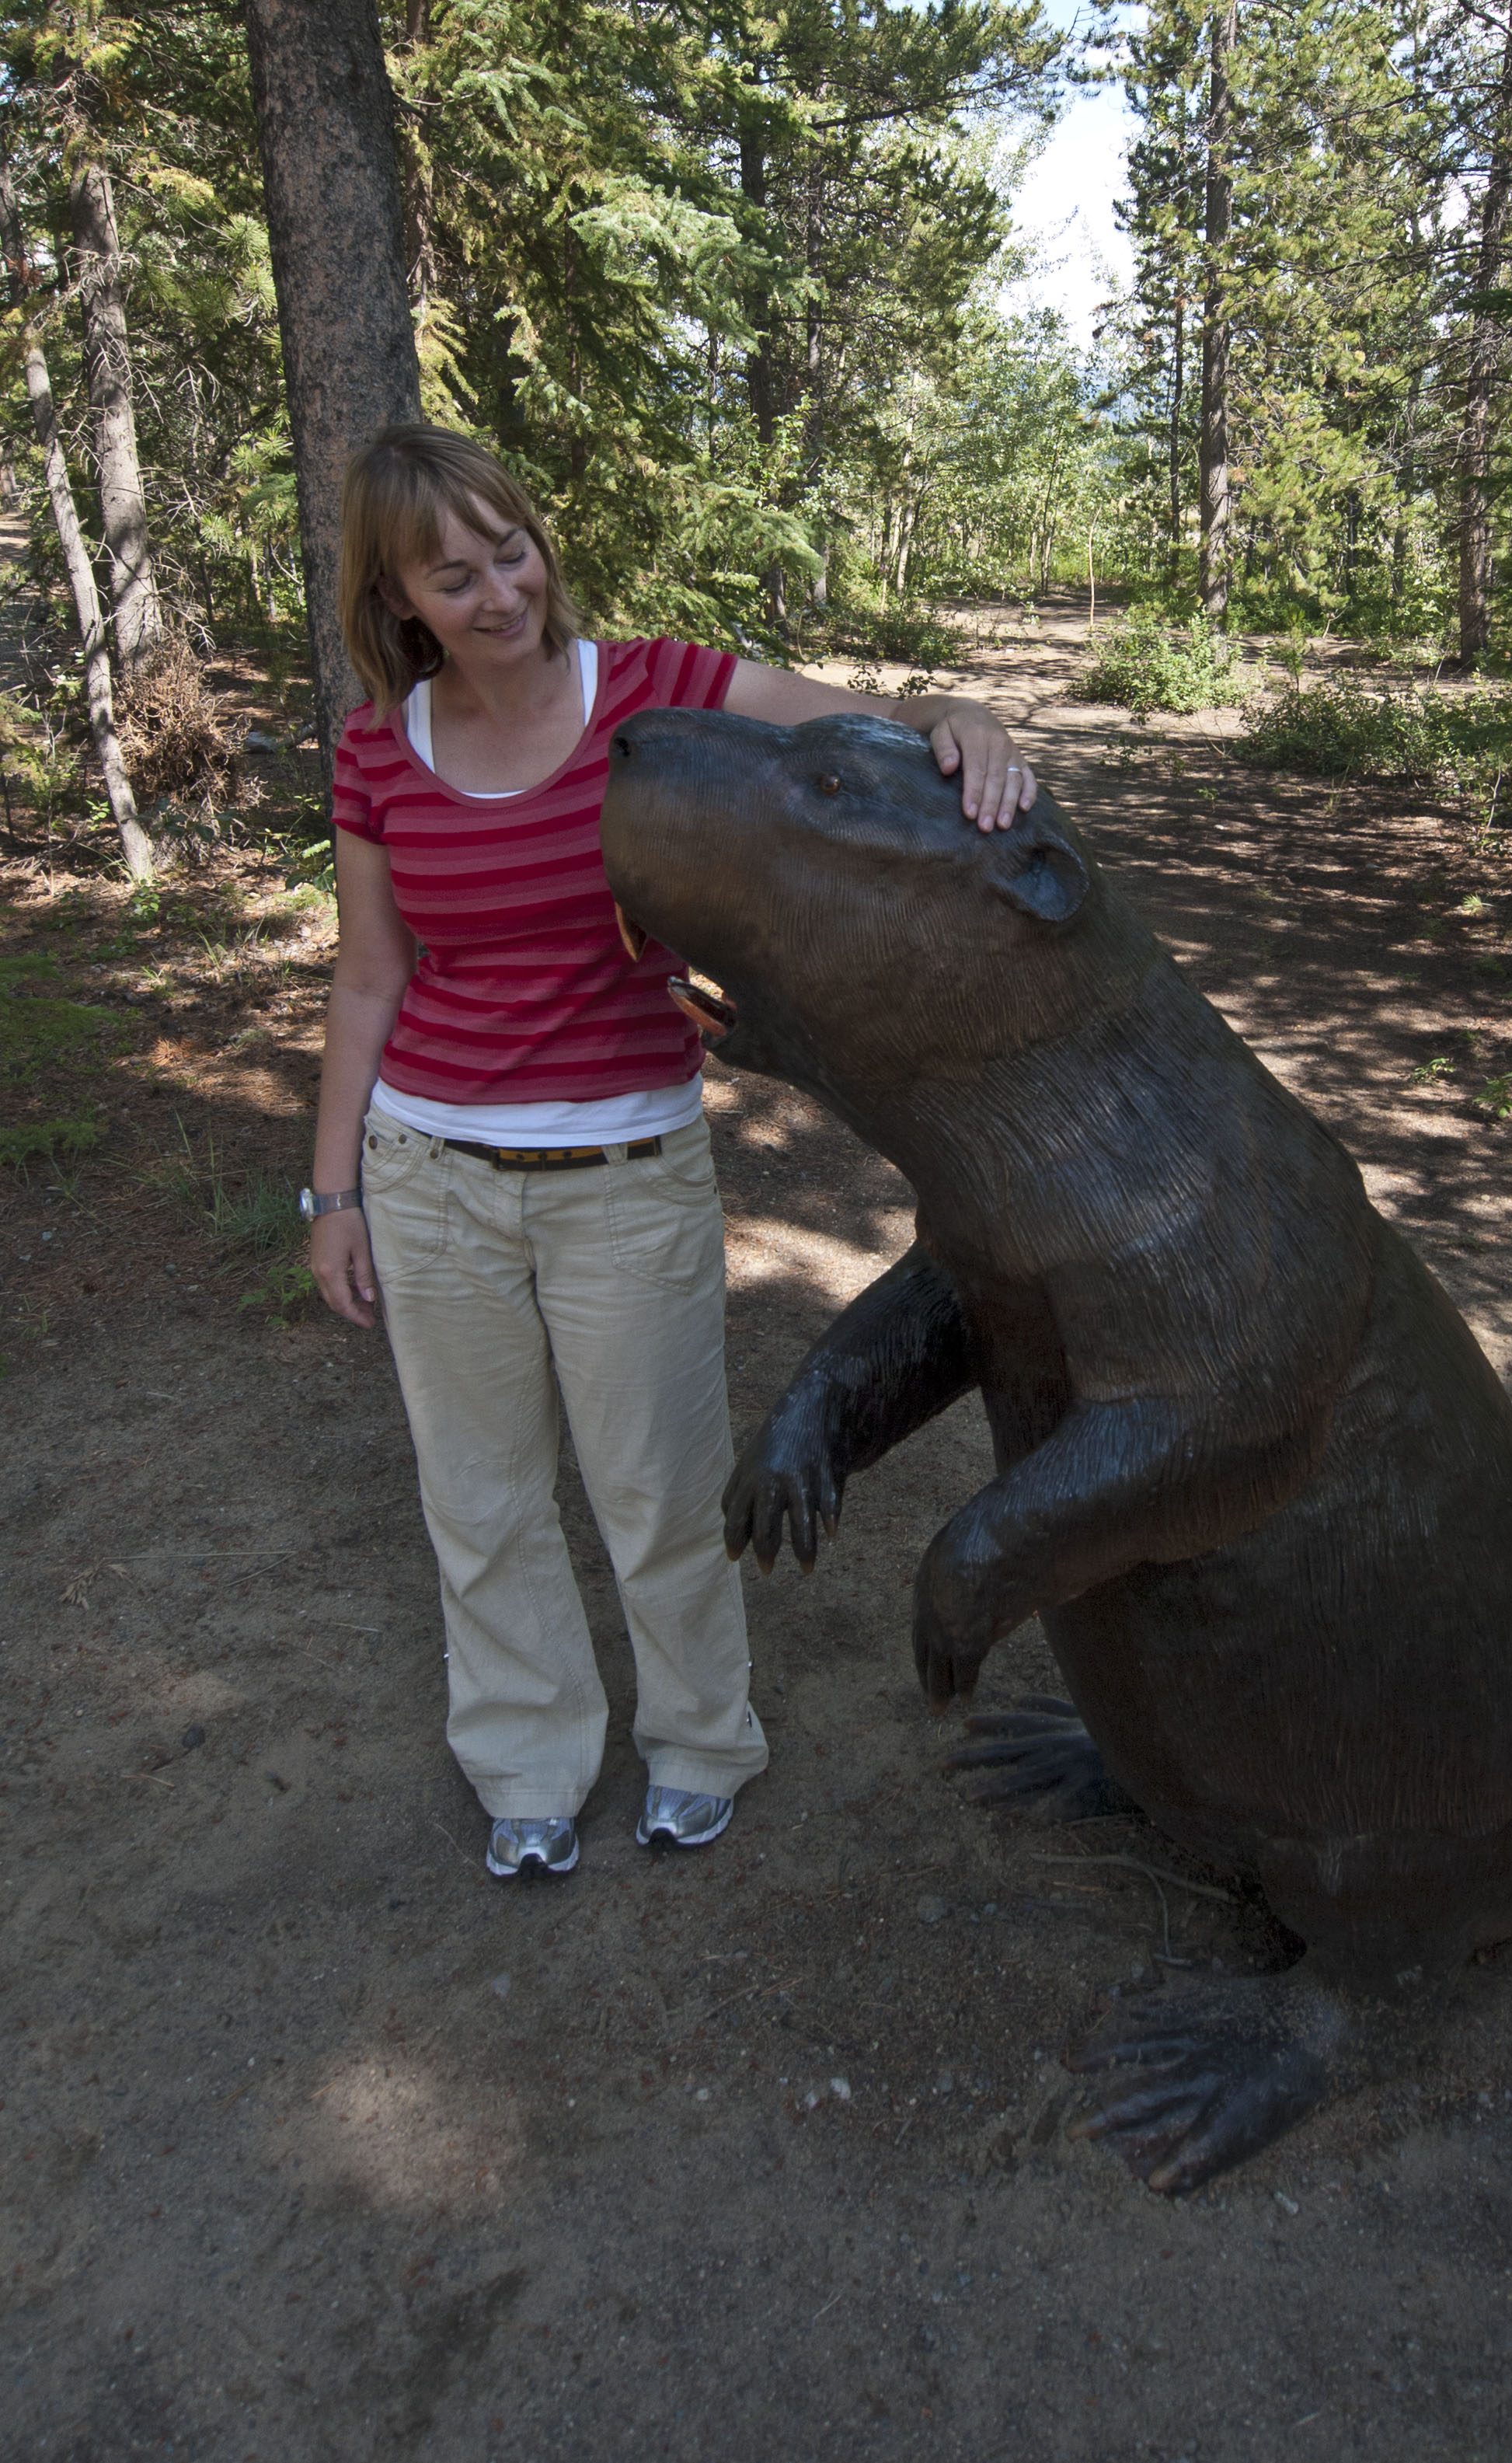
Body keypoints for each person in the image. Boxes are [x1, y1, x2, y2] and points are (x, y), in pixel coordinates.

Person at [305, 423, 1036, 1882]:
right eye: (454, 576)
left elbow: (852, 728)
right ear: (396, 599)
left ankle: (701, 1738)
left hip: (624, 1178)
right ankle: (527, 1760)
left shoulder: (653, 688)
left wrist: (957, 712)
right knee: (480, 1497)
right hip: (432, 1174)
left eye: (512, 548)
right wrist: (333, 1191)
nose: (501, 592)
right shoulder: (380, 748)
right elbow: (371, 977)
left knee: (659, 1486)